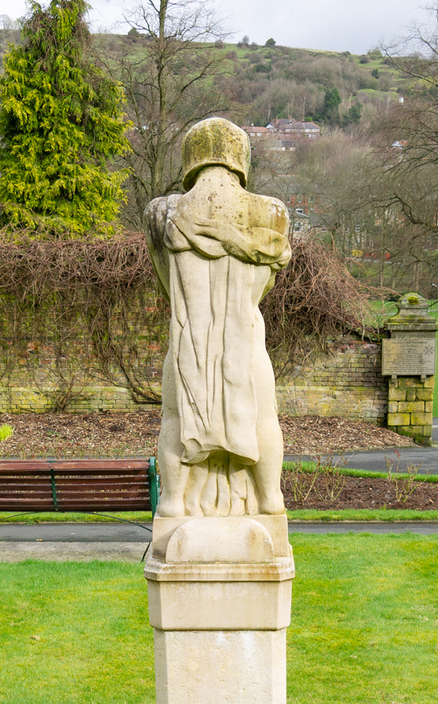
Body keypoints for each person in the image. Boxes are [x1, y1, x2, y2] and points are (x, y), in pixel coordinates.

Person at [143, 118, 291, 518]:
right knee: (262, 415)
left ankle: (174, 503)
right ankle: (269, 500)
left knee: (176, 416)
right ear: (240, 158)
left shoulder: (163, 212)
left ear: (191, 158)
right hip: (246, 340)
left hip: (188, 338)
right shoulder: (273, 214)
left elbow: (165, 280)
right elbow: (265, 288)